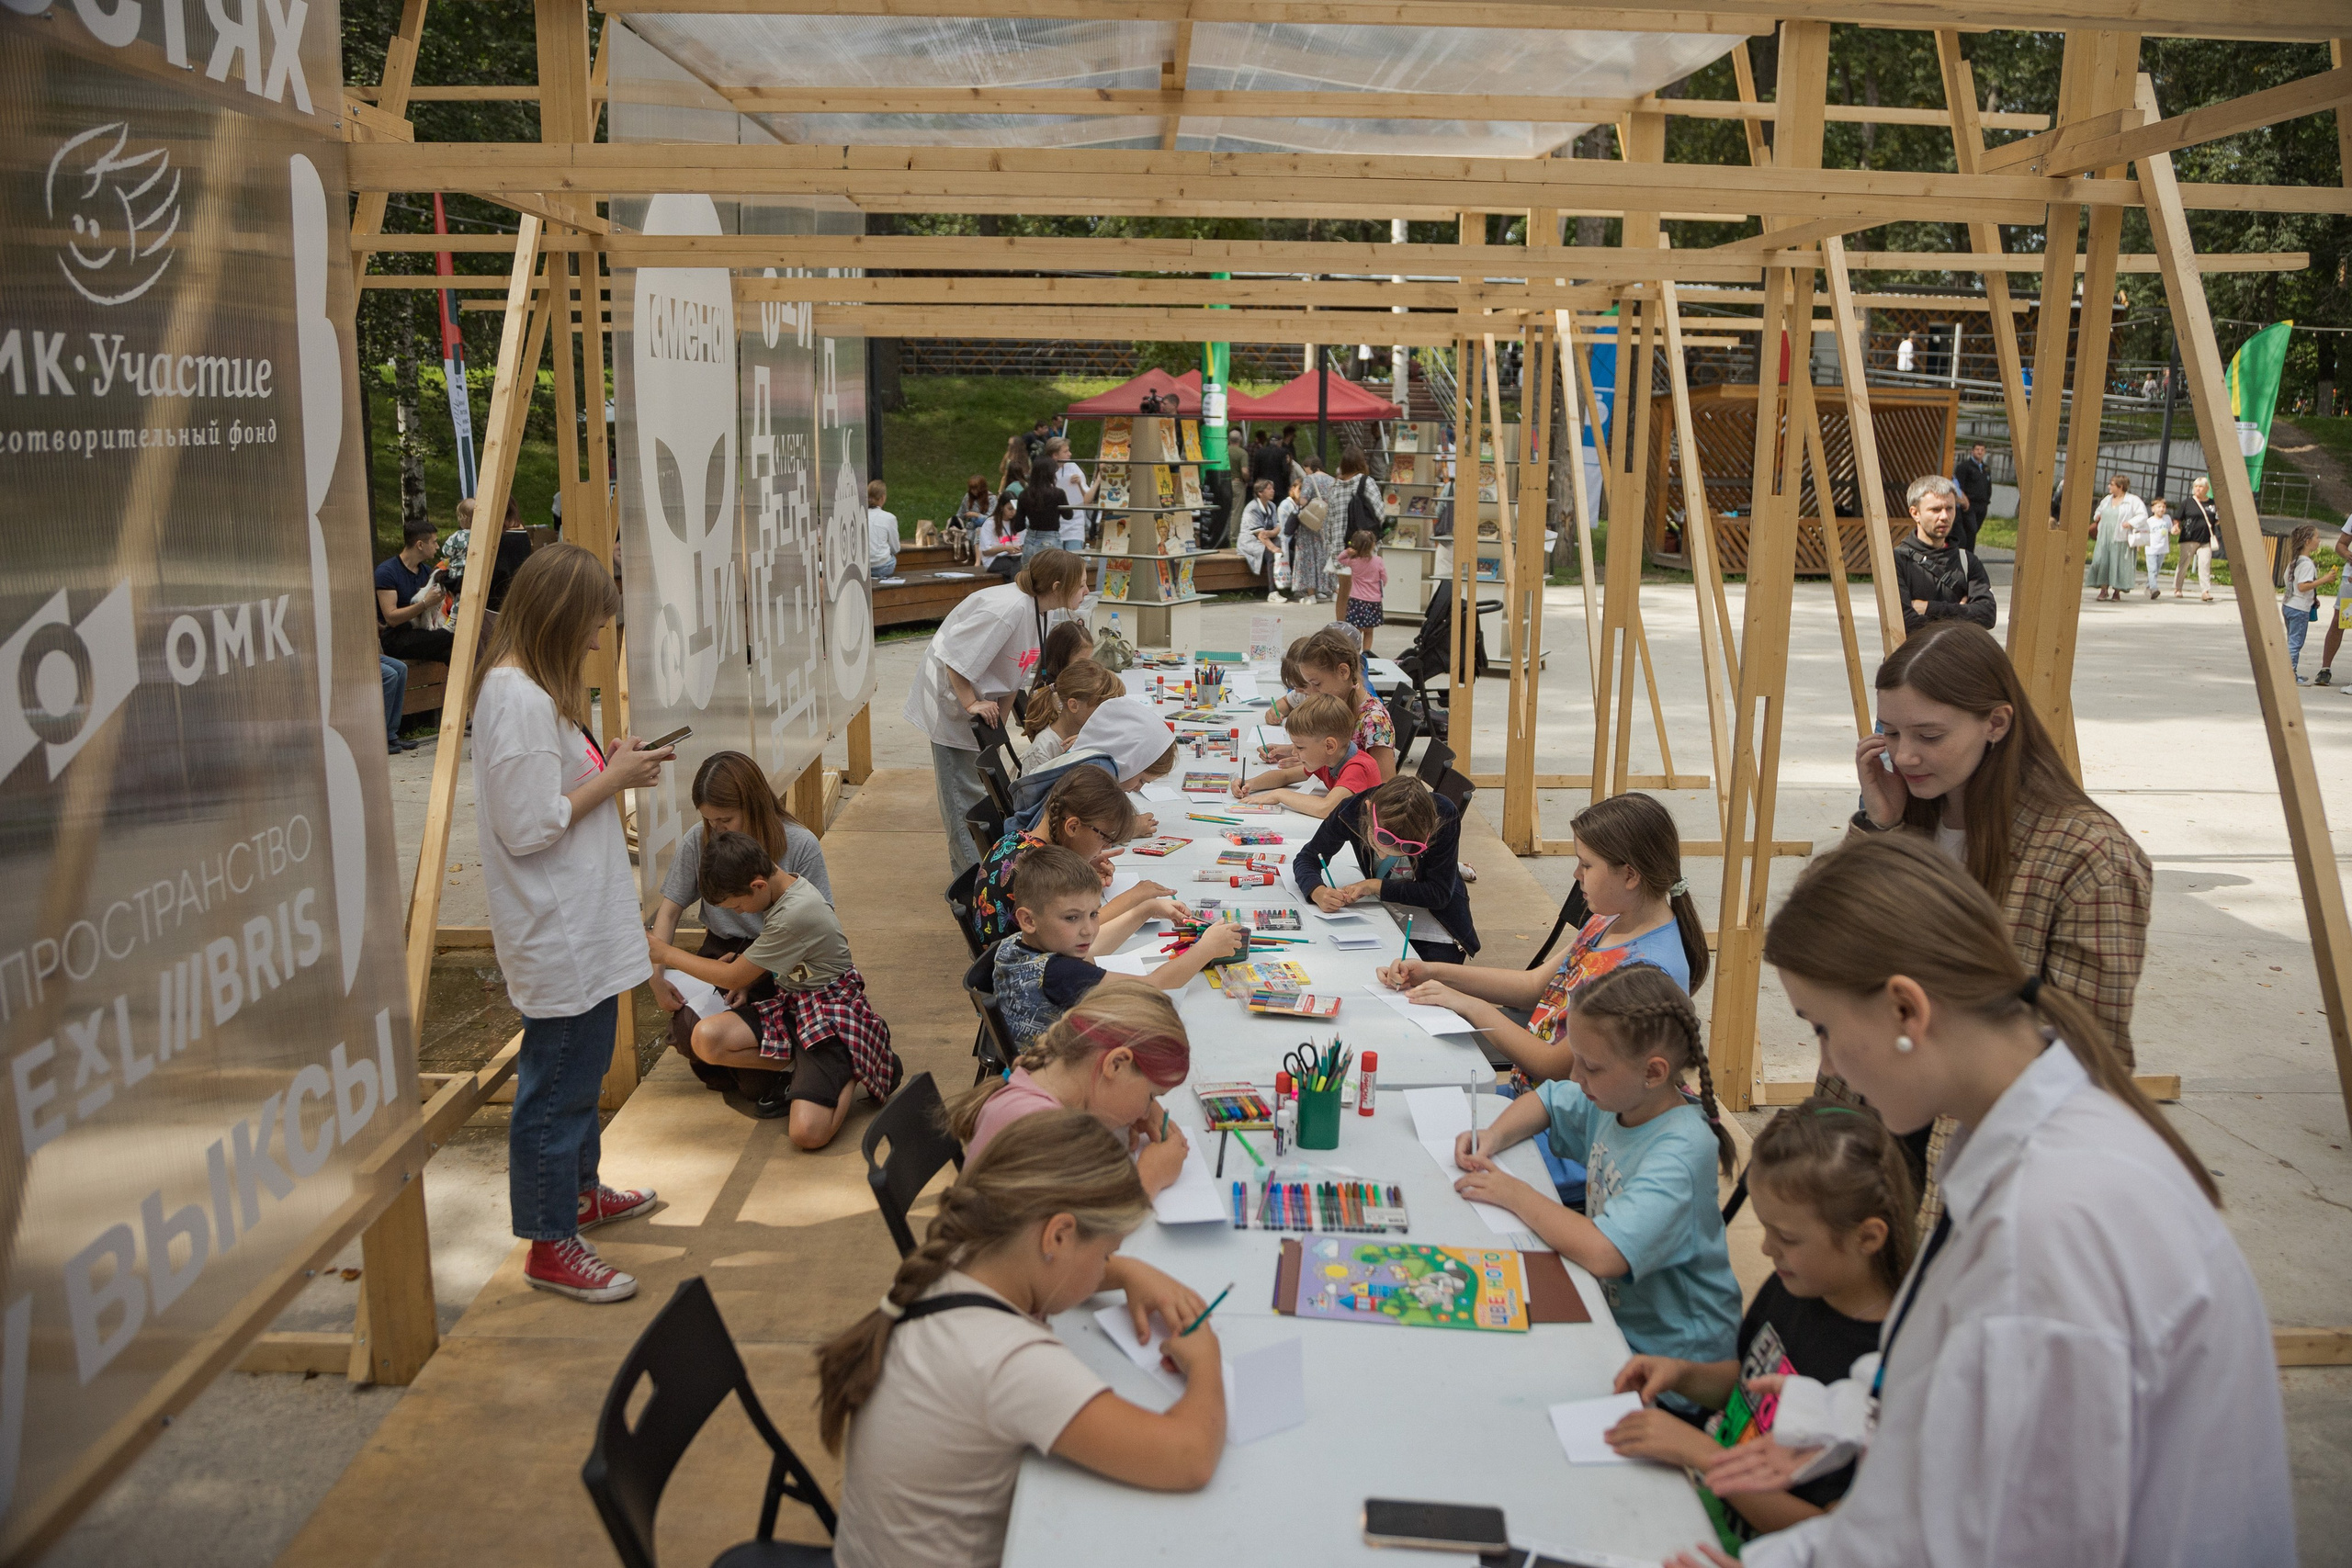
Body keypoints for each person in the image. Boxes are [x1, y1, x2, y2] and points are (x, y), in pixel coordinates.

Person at [1657, 836, 2291, 1568]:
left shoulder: (2046, 1227)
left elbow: (2011, 1536)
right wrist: (1835, 1414)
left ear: (1906, 1008)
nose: (1827, 1065)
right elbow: (1963, 1393)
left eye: (1823, 1029)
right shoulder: (2031, 1140)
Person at [819, 1111, 1225, 1568]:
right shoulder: (1009, 1361)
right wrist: (1206, 1358)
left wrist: (1126, 1272)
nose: (1106, 1265)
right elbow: (1189, 1456)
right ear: (1058, 1235)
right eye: (1108, 1252)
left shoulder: (961, 1255)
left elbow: (1057, 1265)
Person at [469, 543, 667, 1303]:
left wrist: (606, 765)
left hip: (579, 922)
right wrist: (611, 779)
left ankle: (579, 1195)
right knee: (554, 1088)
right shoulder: (516, 697)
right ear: (557, 615)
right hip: (558, 930)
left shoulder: (532, 693)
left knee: (578, 1075)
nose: (596, 640)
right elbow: (529, 826)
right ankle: (549, 1240)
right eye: (591, 624)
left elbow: (555, 795)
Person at [1852, 620, 2151, 1082]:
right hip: (1882, 1108)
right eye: (1890, 733)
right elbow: (1834, 949)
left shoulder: (2089, 855)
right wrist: (1878, 826)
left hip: (1983, 1126)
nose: (1904, 756)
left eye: (1928, 736)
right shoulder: (1910, 816)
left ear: (1996, 723)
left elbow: (2091, 1051)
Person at [1607, 1100, 1913, 1548]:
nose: (1767, 1249)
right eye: (1765, 1228)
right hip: (1704, 1512)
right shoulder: (1799, 1284)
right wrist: (1685, 1374)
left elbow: (1828, 1537)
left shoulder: (1887, 1367)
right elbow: (1752, 1382)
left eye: (1786, 1237)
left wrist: (1705, 1456)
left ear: (1867, 1237)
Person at [1448, 964, 1742, 1362]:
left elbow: (1605, 1252)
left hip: (1671, 1360)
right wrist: (1493, 1137)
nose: (1575, 1074)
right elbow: (1547, 1100)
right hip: (1612, 1318)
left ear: (1653, 1072)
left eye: (1592, 1066)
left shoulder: (1682, 1153)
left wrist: (1515, 1193)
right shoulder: (1618, 1099)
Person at [1378, 791, 1707, 1085]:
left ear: (1631, 875)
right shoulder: (1610, 919)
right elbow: (1535, 988)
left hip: (1561, 1127)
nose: (1576, 875)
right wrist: (1434, 972)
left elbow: (1554, 1064)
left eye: (1586, 865)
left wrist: (1469, 1006)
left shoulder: (1647, 970)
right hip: (1535, 1099)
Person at [650, 829, 900, 1145]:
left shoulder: (796, 912)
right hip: (795, 1003)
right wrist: (750, 972)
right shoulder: (783, 887)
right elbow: (774, 960)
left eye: (738, 906)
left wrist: (667, 953)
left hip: (830, 1017)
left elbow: (732, 977)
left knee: (807, 1135)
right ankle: (806, 1065)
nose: (739, 914)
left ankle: (854, 1060)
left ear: (758, 885)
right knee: (706, 1040)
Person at [650, 750, 831, 1082]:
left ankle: (808, 1063)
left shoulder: (800, 843)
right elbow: (670, 909)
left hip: (780, 957)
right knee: (697, 1042)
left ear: (753, 806)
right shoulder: (699, 839)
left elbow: (816, 926)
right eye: (709, 820)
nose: (715, 829)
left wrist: (750, 975)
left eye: (725, 820)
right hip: (724, 950)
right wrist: (657, 977)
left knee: (749, 1076)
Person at [908, 550, 1089, 879]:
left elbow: (1013, 671)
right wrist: (969, 704)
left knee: (979, 790)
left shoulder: (1038, 610)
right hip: (952, 697)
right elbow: (953, 656)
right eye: (1082, 585)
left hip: (978, 697)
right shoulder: (1006, 610)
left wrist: (999, 725)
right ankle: (972, 883)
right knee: (964, 797)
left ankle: (986, 872)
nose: (1087, 592)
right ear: (1058, 585)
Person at [947, 978, 1192, 1193]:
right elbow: (1081, 1235)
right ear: (1116, 1064)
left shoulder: (1051, 1080)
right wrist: (1150, 1177)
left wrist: (1131, 1113)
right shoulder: (1037, 1128)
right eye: (1151, 1096)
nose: (1148, 1112)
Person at [991, 847, 1240, 1050]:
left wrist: (1145, 910)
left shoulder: (1014, 945)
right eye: (1071, 918)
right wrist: (1207, 949)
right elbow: (1154, 988)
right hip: (1059, 1085)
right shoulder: (1061, 973)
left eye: (1093, 914)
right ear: (1029, 920)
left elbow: (1090, 949)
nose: (1088, 929)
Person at [967, 762, 1174, 949]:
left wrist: (1079, 866)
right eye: (1104, 837)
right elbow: (1085, 929)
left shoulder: (1015, 840)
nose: (1107, 845)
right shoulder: (1043, 872)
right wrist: (1135, 897)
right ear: (1073, 826)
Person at [1295, 774, 1477, 964]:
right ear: (1367, 810)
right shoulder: (1350, 811)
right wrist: (1316, 890)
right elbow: (1307, 858)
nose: (1383, 856)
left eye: (1408, 849)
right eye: (1378, 843)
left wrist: (1375, 886)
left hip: (1437, 927)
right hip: (1382, 920)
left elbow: (1438, 894)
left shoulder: (1444, 815)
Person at [1231, 693, 1381, 819]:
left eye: (1300, 747)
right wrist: (1249, 784)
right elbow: (1284, 776)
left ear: (1329, 746)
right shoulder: (1329, 759)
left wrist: (1279, 795)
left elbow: (1326, 808)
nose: (1294, 752)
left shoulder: (1357, 768)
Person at [1890, 475, 1994, 633]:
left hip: (1957, 657)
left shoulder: (1967, 561)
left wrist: (1929, 608)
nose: (1944, 516)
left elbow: (1987, 615)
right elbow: (1906, 624)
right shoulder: (1896, 560)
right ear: (1915, 513)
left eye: (1949, 508)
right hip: (1913, 657)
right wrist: (1961, 615)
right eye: (1935, 509)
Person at [1295, 625, 1396, 779]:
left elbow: (1386, 786)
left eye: (1317, 684)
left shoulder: (1374, 722)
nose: (1311, 692)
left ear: (1343, 672)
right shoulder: (1338, 706)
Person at [1019, 656, 1121, 771]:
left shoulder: (1091, 734)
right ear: (1073, 705)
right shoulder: (1042, 751)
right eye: (1102, 707)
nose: (1108, 714)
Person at [376, 521, 453, 663]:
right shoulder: (387, 572)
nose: (437, 547)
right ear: (420, 545)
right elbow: (391, 619)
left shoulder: (425, 571)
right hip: (394, 638)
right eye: (434, 542)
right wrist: (425, 603)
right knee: (451, 636)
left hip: (420, 633)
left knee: (456, 651)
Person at [2282, 522, 2335, 682]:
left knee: (2291, 640)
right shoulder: (2307, 564)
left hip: (2288, 605)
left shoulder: (2294, 561)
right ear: (2307, 541)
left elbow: (2291, 583)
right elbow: (2302, 586)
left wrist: (2313, 597)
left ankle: (2289, 671)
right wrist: (2324, 580)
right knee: (2295, 643)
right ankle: (2289, 674)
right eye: (2317, 537)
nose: (2319, 541)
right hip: (2299, 609)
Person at [2086, 473, 2144, 603]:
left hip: (2120, 538)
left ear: (2120, 486)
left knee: (2118, 564)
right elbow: (2098, 511)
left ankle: (2117, 591)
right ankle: (2103, 590)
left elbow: (2142, 515)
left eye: (2112, 484)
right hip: (2104, 537)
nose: (2109, 487)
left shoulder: (2132, 500)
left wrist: (2130, 523)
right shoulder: (2107, 499)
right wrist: (2097, 517)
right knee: (2101, 562)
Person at [2312, 511, 2352, 684]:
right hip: (2350, 579)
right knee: (2340, 620)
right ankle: (2325, 668)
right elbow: (2341, 544)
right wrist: (2348, 555)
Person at [1334, 530, 1387, 649]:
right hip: (1374, 601)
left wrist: (1347, 552)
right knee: (1369, 631)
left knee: (1356, 631)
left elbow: (1340, 559)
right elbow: (1384, 578)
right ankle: (1367, 653)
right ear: (1372, 545)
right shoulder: (1378, 561)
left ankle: (1354, 652)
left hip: (1357, 600)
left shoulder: (1353, 561)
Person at [1044, 436, 1098, 554]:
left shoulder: (1073, 468)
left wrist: (1079, 483)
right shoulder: (1044, 471)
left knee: (1073, 562)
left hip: (1074, 525)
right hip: (1052, 526)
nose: (1070, 454)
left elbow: (1087, 499)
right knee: (1055, 563)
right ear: (1055, 455)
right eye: (1065, 451)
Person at [2172, 475, 2219, 604]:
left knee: (2205, 564)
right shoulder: (2188, 502)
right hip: (2189, 537)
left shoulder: (2212, 503)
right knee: (2184, 563)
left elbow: (2217, 519)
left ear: (2206, 488)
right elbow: (2178, 517)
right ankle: (2178, 588)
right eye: (2196, 486)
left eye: (2200, 486)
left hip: (2206, 539)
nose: (2197, 489)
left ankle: (2205, 591)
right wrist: (2176, 526)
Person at [1238, 478, 1286, 602]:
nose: (1273, 491)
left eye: (1273, 488)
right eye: (1269, 489)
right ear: (1260, 492)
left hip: (1267, 538)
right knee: (1271, 554)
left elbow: (1278, 527)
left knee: (1288, 548)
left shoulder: (1272, 505)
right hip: (1250, 542)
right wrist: (1274, 548)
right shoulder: (1252, 508)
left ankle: (1292, 586)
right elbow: (1259, 535)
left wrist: (1271, 533)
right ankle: (1272, 592)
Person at [1951, 441, 1994, 554]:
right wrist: (1964, 501)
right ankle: (1967, 554)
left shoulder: (1986, 468)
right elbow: (1959, 486)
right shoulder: (1965, 467)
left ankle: (1968, 554)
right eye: (1977, 449)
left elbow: (1988, 485)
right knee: (1969, 530)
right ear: (1972, 451)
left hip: (1982, 504)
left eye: (1982, 450)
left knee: (1974, 531)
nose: (1980, 452)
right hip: (1970, 504)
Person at [1015, 473, 1068, 563]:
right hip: (1051, 537)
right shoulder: (1058, 494)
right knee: (1053, 575)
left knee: (1028, 574)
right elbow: (1068, 515)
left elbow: (1019, 525)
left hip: (1030, 539)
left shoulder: (1024, 494)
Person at [974, 493, 1024, 580]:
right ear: (1001, 507)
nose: (1013, 512)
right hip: (994, 559)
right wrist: (1005, 548)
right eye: (1010, 509)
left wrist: (1020, 548)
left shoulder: (1018, 523)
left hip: (1015, 557)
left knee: (1024, 564)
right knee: (1016, 566)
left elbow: (1022, 542)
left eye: (1015, 509)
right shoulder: (990, 523)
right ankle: (1016, 589)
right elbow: (986, 551)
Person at [865, 479, 901, 581]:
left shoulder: (859, 516)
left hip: (862, 567)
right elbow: (896, 548)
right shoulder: (889, 518)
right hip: (882, 567)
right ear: (882, 497)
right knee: (891, 558)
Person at [2141, 495, 2175, 598]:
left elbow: (2171, 530)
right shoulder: (2150, 521)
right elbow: (2144, 534)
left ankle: (2148, 587)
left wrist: (2175, 530)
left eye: (2163, 507)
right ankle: (2154, 588)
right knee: (2152, 570)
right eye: (2159, 507)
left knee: (2156, 570)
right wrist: (2140, 545)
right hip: (2151, 549)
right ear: (2153, 509)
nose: (2161, 509)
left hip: (2162, 549)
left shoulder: (2167, 518)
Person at [379, 654, 414, 755]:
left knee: (401, 668)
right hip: (347, 655)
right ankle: (379, 739)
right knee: (389, 674)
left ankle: (390, 735)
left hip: (366, 652)